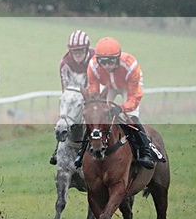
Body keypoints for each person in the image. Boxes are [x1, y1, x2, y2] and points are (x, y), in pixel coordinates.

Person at [79, 36, 158, 169]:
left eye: (110, 62)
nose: (107, 66)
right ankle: (81, 152)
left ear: (118, 58)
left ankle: (145, 152)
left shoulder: (130, 66)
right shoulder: (92, 66)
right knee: (96, 116)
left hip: (129, 86)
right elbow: (94, 92)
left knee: (131, 117)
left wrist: (121, 108)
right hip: (110, 85)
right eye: (103, 62)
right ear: (97, 60)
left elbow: (133, 98)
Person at [49, 30, 95, 165]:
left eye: (80, 51)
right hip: (74, 89)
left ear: (86, 49)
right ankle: (58, 147)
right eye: (74, 51)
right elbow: (65, 90)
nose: (77, 54)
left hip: (94, 87)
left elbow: (98, 82)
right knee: (67, 113)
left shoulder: (95, 59)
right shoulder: (65, 63)